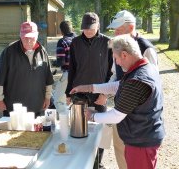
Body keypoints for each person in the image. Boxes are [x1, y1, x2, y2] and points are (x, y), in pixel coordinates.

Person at [72, 34, 165, 169]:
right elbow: (118, 85)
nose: (118, 63)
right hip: (144, 137)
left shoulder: (137, 80)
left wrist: (91, 116)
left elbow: (116, 116)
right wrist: (89, 87)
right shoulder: (143, 68)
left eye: (116, 59)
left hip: (141, 141)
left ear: (124, 55)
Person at [65, 12, 113, 168]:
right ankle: (81, 161)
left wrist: (104, 93)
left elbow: (111, 71)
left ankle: (97, 163)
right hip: (79, 92)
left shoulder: (108, 42)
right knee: (78, 128)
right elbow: (71, 69)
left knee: (102, 130)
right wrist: (68, 92)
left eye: (91, 28)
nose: (88, 31)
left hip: (100, 93)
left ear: (98, 25)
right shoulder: (75, 43)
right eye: (85, 28)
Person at [0, 21, 54, 117]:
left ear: (37, 35)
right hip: (14, 108)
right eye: (25, 38)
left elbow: (48, 78)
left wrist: (47, 97)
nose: (29, 41)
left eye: (31, 37)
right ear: (20, 36)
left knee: (36, 131)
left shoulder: (42, 51)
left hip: (37, 106)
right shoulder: (9, 52)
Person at [53, 20, 76, 113]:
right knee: (76, 99)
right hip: (81, 74)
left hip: (68, 74)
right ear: (72, 28)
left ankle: (64, 120)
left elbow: (61, 62)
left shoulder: (62, 42)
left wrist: (51, 63)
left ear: (61, 31)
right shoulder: (79, 39)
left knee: (58, 100)